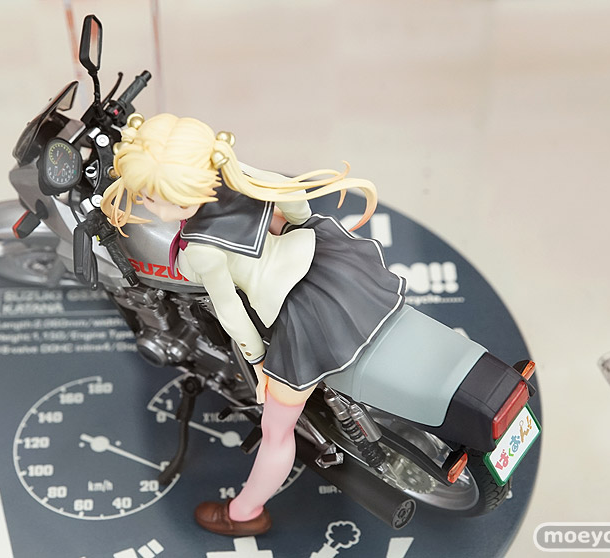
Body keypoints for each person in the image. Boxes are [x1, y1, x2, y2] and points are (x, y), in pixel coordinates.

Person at [101, 113, 405, 536]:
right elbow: (292, 195)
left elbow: (231, 314)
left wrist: (261, 363)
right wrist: (294, 225)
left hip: (303, 314)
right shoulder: (232, 169)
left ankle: (245, 513)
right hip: (333, 268)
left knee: (276, 431)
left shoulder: (199, 251)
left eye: (151, 197)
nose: (150, 206)